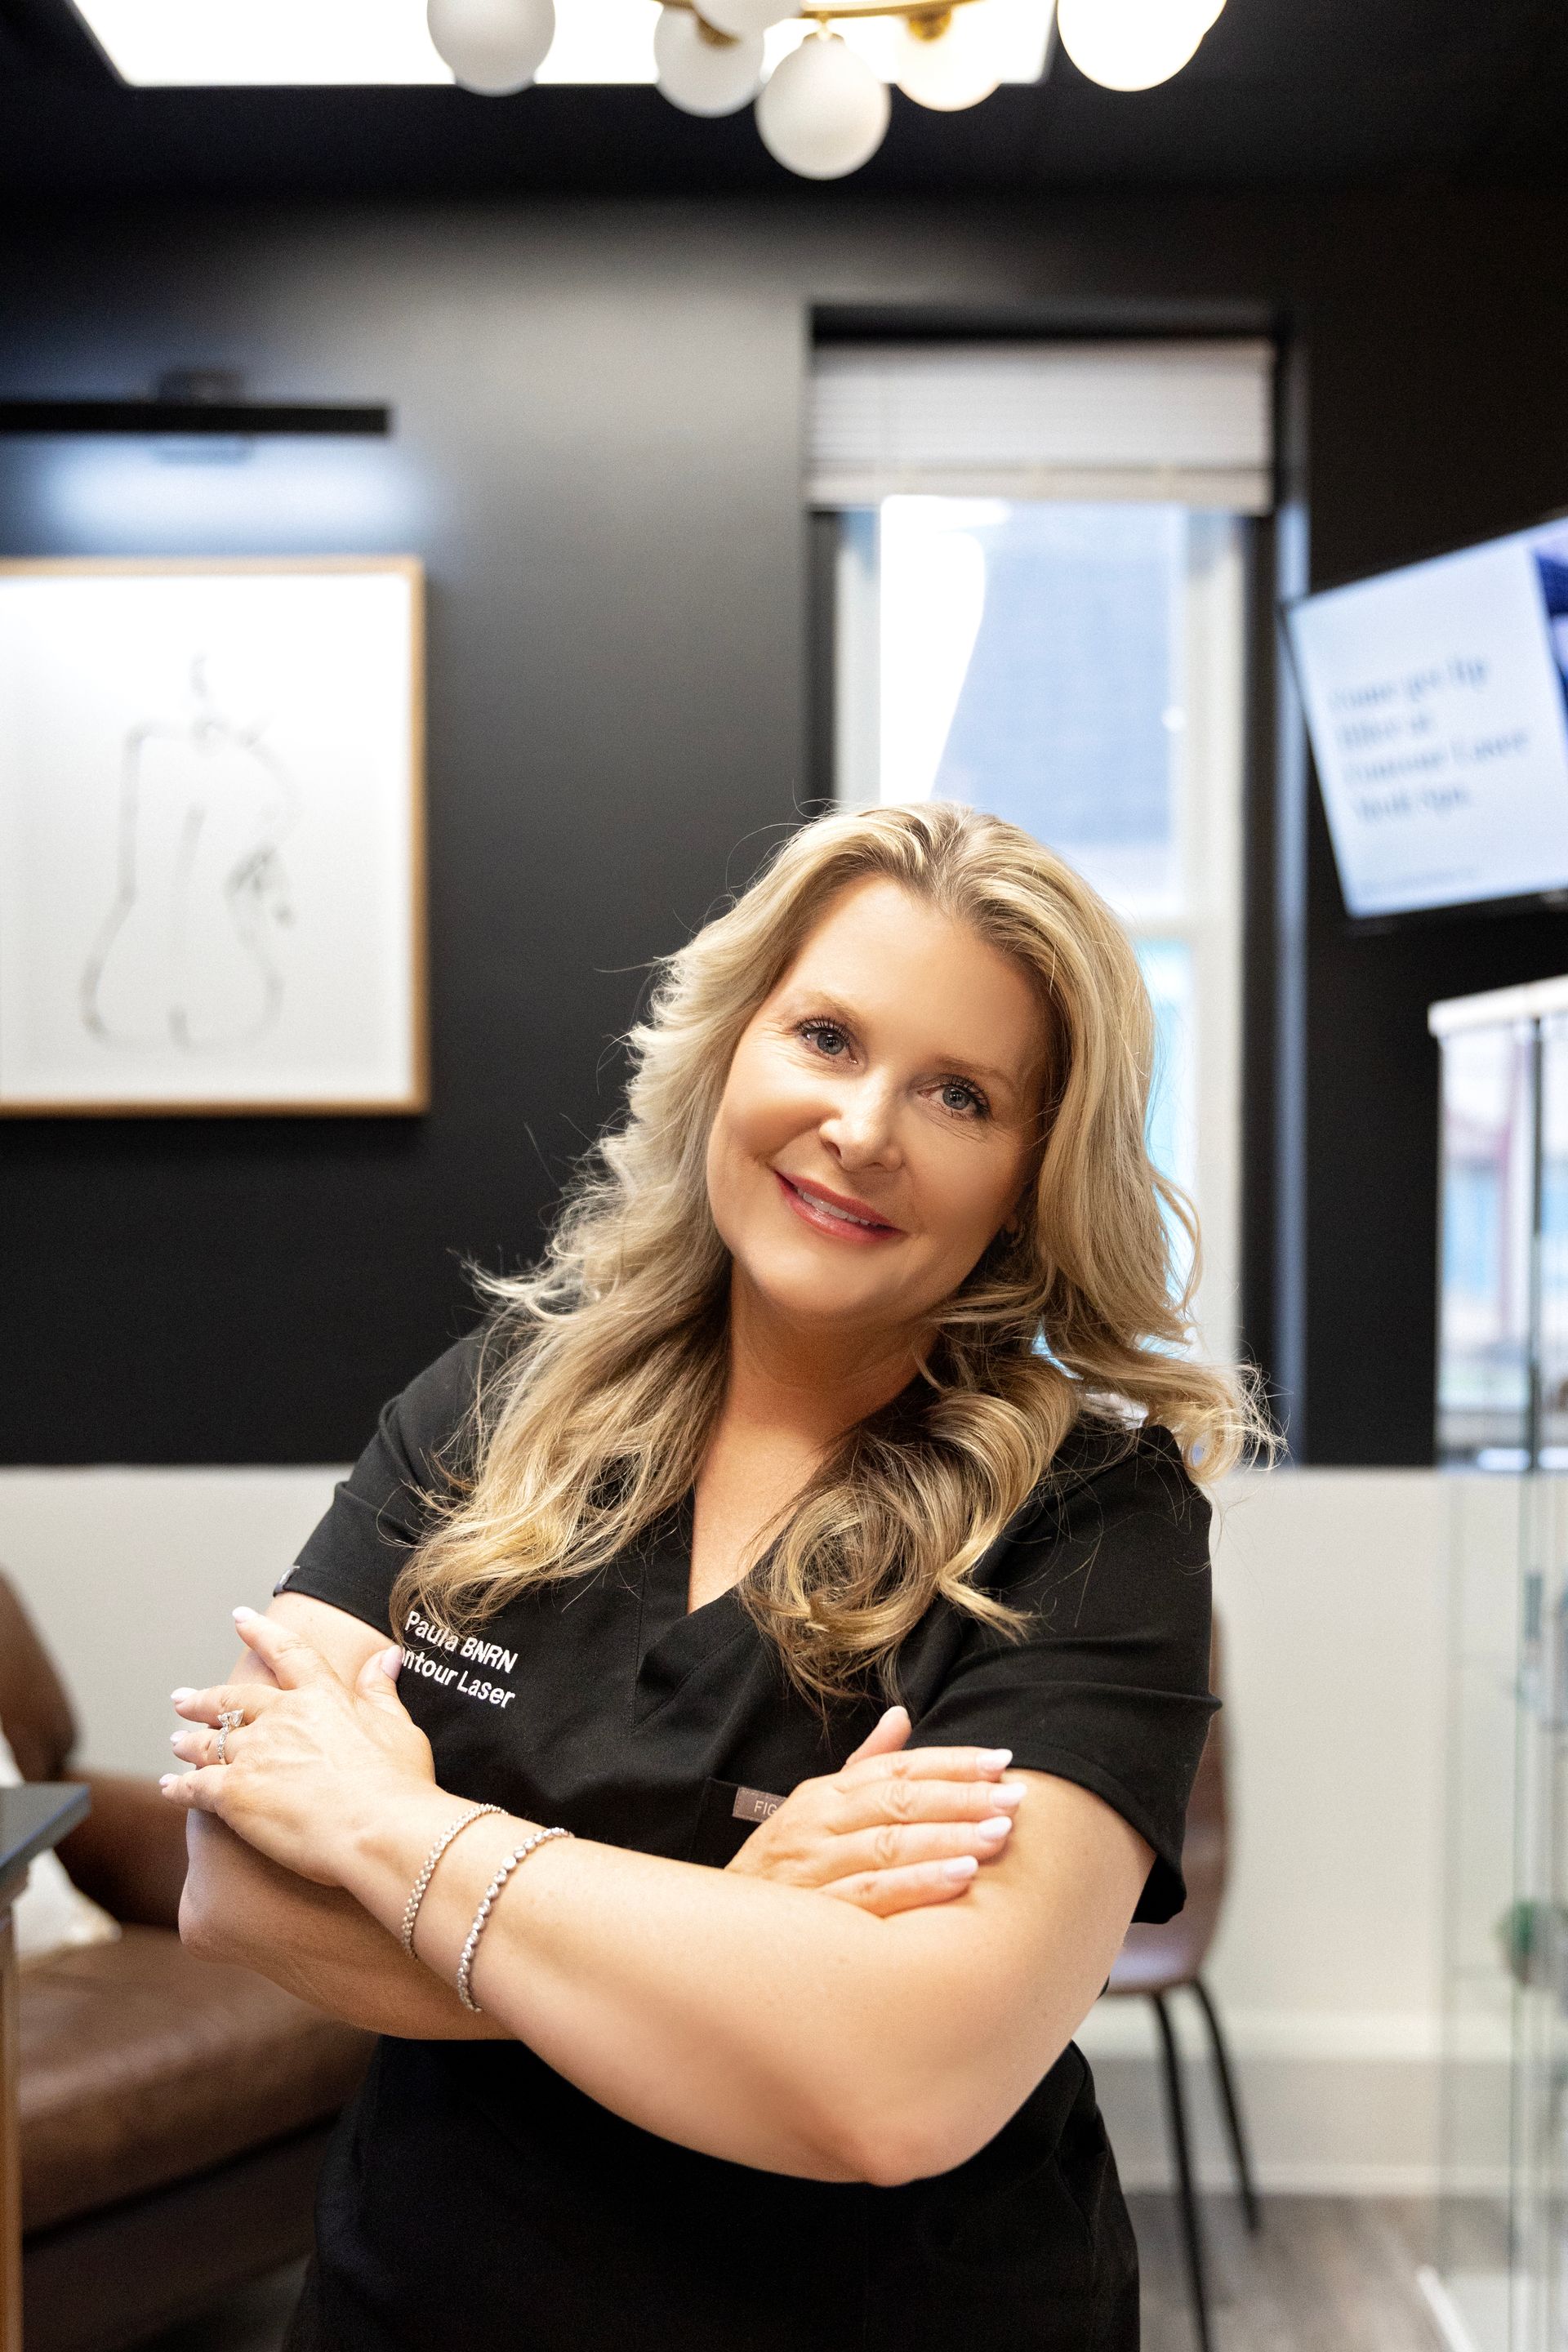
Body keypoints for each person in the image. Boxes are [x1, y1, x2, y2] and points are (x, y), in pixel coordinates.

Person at [163, 801, 1257, 2351]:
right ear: (731, 1048)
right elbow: (241, 1887)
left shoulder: (1096, 1520)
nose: (867, 1128)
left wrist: (392, 1830)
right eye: (826, 1037)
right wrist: (725, 1939)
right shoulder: (493, 1405)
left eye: (958, 1093)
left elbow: (903, 2080)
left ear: (1032, 1171)